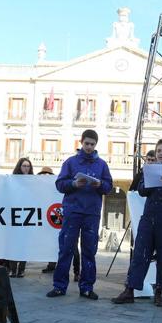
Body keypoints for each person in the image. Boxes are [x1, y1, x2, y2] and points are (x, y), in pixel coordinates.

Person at [112, 139, 162, 307]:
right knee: (140, 254)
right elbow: (141, 190)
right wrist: (149, 182)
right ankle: (130, 290)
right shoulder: (149, 169)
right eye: (158, 150)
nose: (161, 153)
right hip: (148, 218)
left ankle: (159, 292)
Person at [46, 129, 112, 300]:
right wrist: (74, 183)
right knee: (66, 248)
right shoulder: (70, 162)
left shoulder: (102, 165)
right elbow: (60, 184)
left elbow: (108, 186)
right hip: (72, 211)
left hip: (92, 213)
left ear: (96, 145)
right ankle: (59, 286)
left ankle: (87, 287)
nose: (89, 147)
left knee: (89, 250)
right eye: (86, 143)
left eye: (92, 144)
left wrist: (100, 184)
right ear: (81, 143)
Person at [40, 167, 82, 280]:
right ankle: (52, 265)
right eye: (43, 174)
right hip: (52, 218)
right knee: (54, 242)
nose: (46, 176)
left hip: (67, 216)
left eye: (48, 174)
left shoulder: (59, 184)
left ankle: (76, 271)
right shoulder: (41, 188)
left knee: (73, 246)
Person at [8, 157, 33, 278]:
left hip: (28, 216)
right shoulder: (12, 180)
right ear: (19, 166)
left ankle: (21, 269)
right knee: (14, 244)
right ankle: (13, 269)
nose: (26, 168)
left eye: (28, 166)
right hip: (14, 216)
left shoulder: (34, 181)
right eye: (24, 166)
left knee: (24, 245)